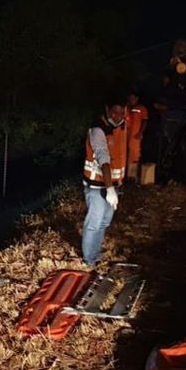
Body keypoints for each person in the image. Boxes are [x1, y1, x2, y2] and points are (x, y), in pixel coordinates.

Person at [81, 101, 128, 268]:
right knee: (94, 223)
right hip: (97, 185)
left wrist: (116, 185)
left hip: (112, 184)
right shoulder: (98, 130)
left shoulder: (120, 127)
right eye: (115, 112)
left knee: (104, 222)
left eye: (122, 113)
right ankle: (89, 260)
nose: (119, 116)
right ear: (107, 110)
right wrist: (109, 189)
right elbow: (104, 159)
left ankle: (95, 251)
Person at [126, 91, 149, 182]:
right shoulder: (126, 108)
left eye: (133, 98)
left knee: (134, 156)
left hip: (135, 136)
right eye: (130, 98)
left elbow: (145, 121)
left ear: (136, 98)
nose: (131, 100)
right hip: (125, 136)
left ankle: (132, 176)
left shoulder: (141, 109)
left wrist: (140, 132)